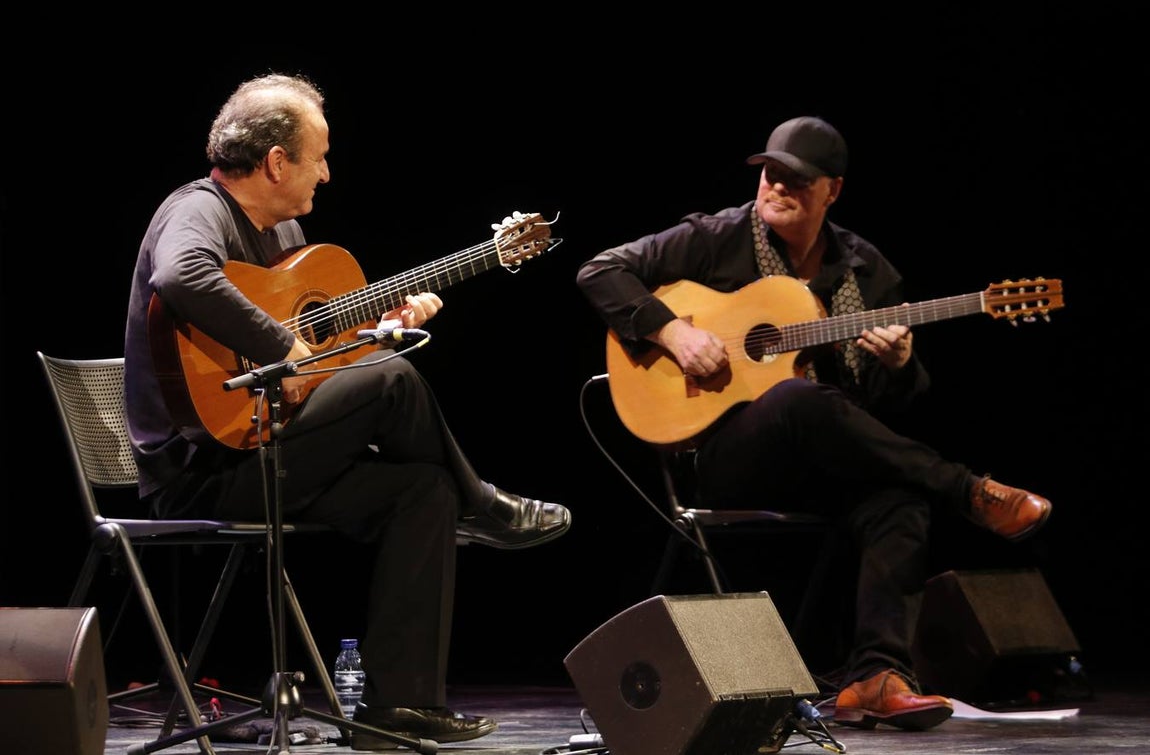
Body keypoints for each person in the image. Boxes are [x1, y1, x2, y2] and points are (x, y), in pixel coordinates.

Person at [124, 73, 571, 750]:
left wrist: (379, 331)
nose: (327, 173)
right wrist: (285, 345)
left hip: (268, 448)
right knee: (394, 382)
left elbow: (311, 369)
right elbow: (183, 276)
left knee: (423, 488)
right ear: (277, 161)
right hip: (204, 471)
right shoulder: (198, 210)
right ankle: (483, 505)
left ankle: (397, 710)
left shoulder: (284, 233)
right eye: (320, 156)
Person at [575, 115, 1051, 731]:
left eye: (796, 180)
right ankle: (967, 490)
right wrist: (673, 332)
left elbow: (881, 413)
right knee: (798, 399)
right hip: (723, 459)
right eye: (770, 173)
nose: (777, 186)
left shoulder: (866, 272)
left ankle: (877, 675)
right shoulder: (714, 237)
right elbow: (599, 271)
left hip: (821, 467)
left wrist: (898, 366)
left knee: (899, 496)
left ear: (834, 191)